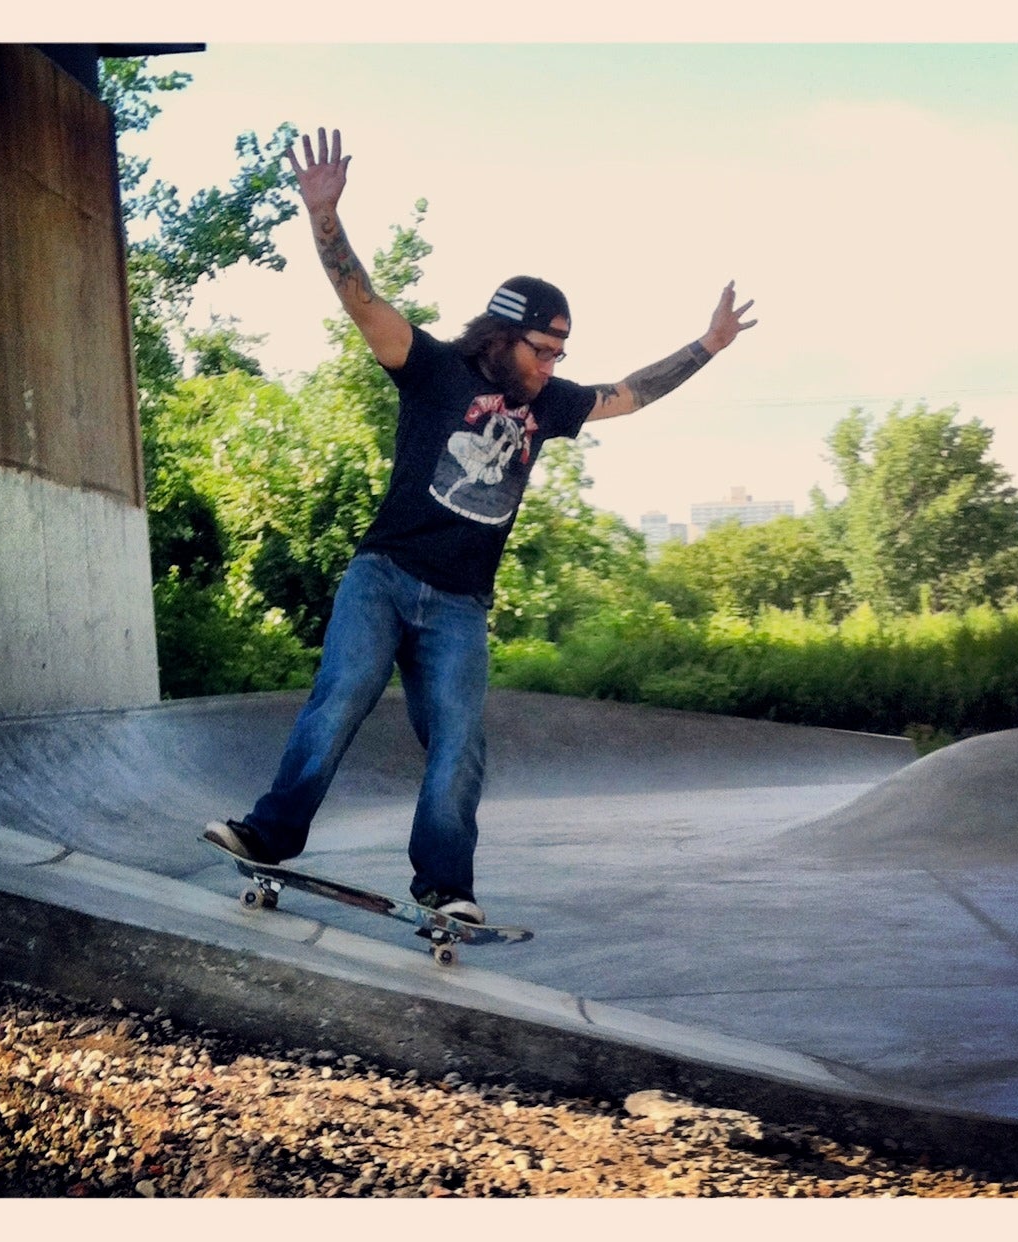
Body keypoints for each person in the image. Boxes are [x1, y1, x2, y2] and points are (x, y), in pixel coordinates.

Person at [205, 128, 757, 924]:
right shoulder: (431, 370)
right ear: (502, 338)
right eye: (542, 349)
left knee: (460, 740)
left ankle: (446, 888)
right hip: (384, 577)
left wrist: (707, 345)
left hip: (460, 604)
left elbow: (631, 393)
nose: (552, 367)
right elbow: (361, 302)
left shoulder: (553, 403)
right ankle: (268, 834)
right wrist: (323, 216)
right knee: (341, 698)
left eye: (562, 352)